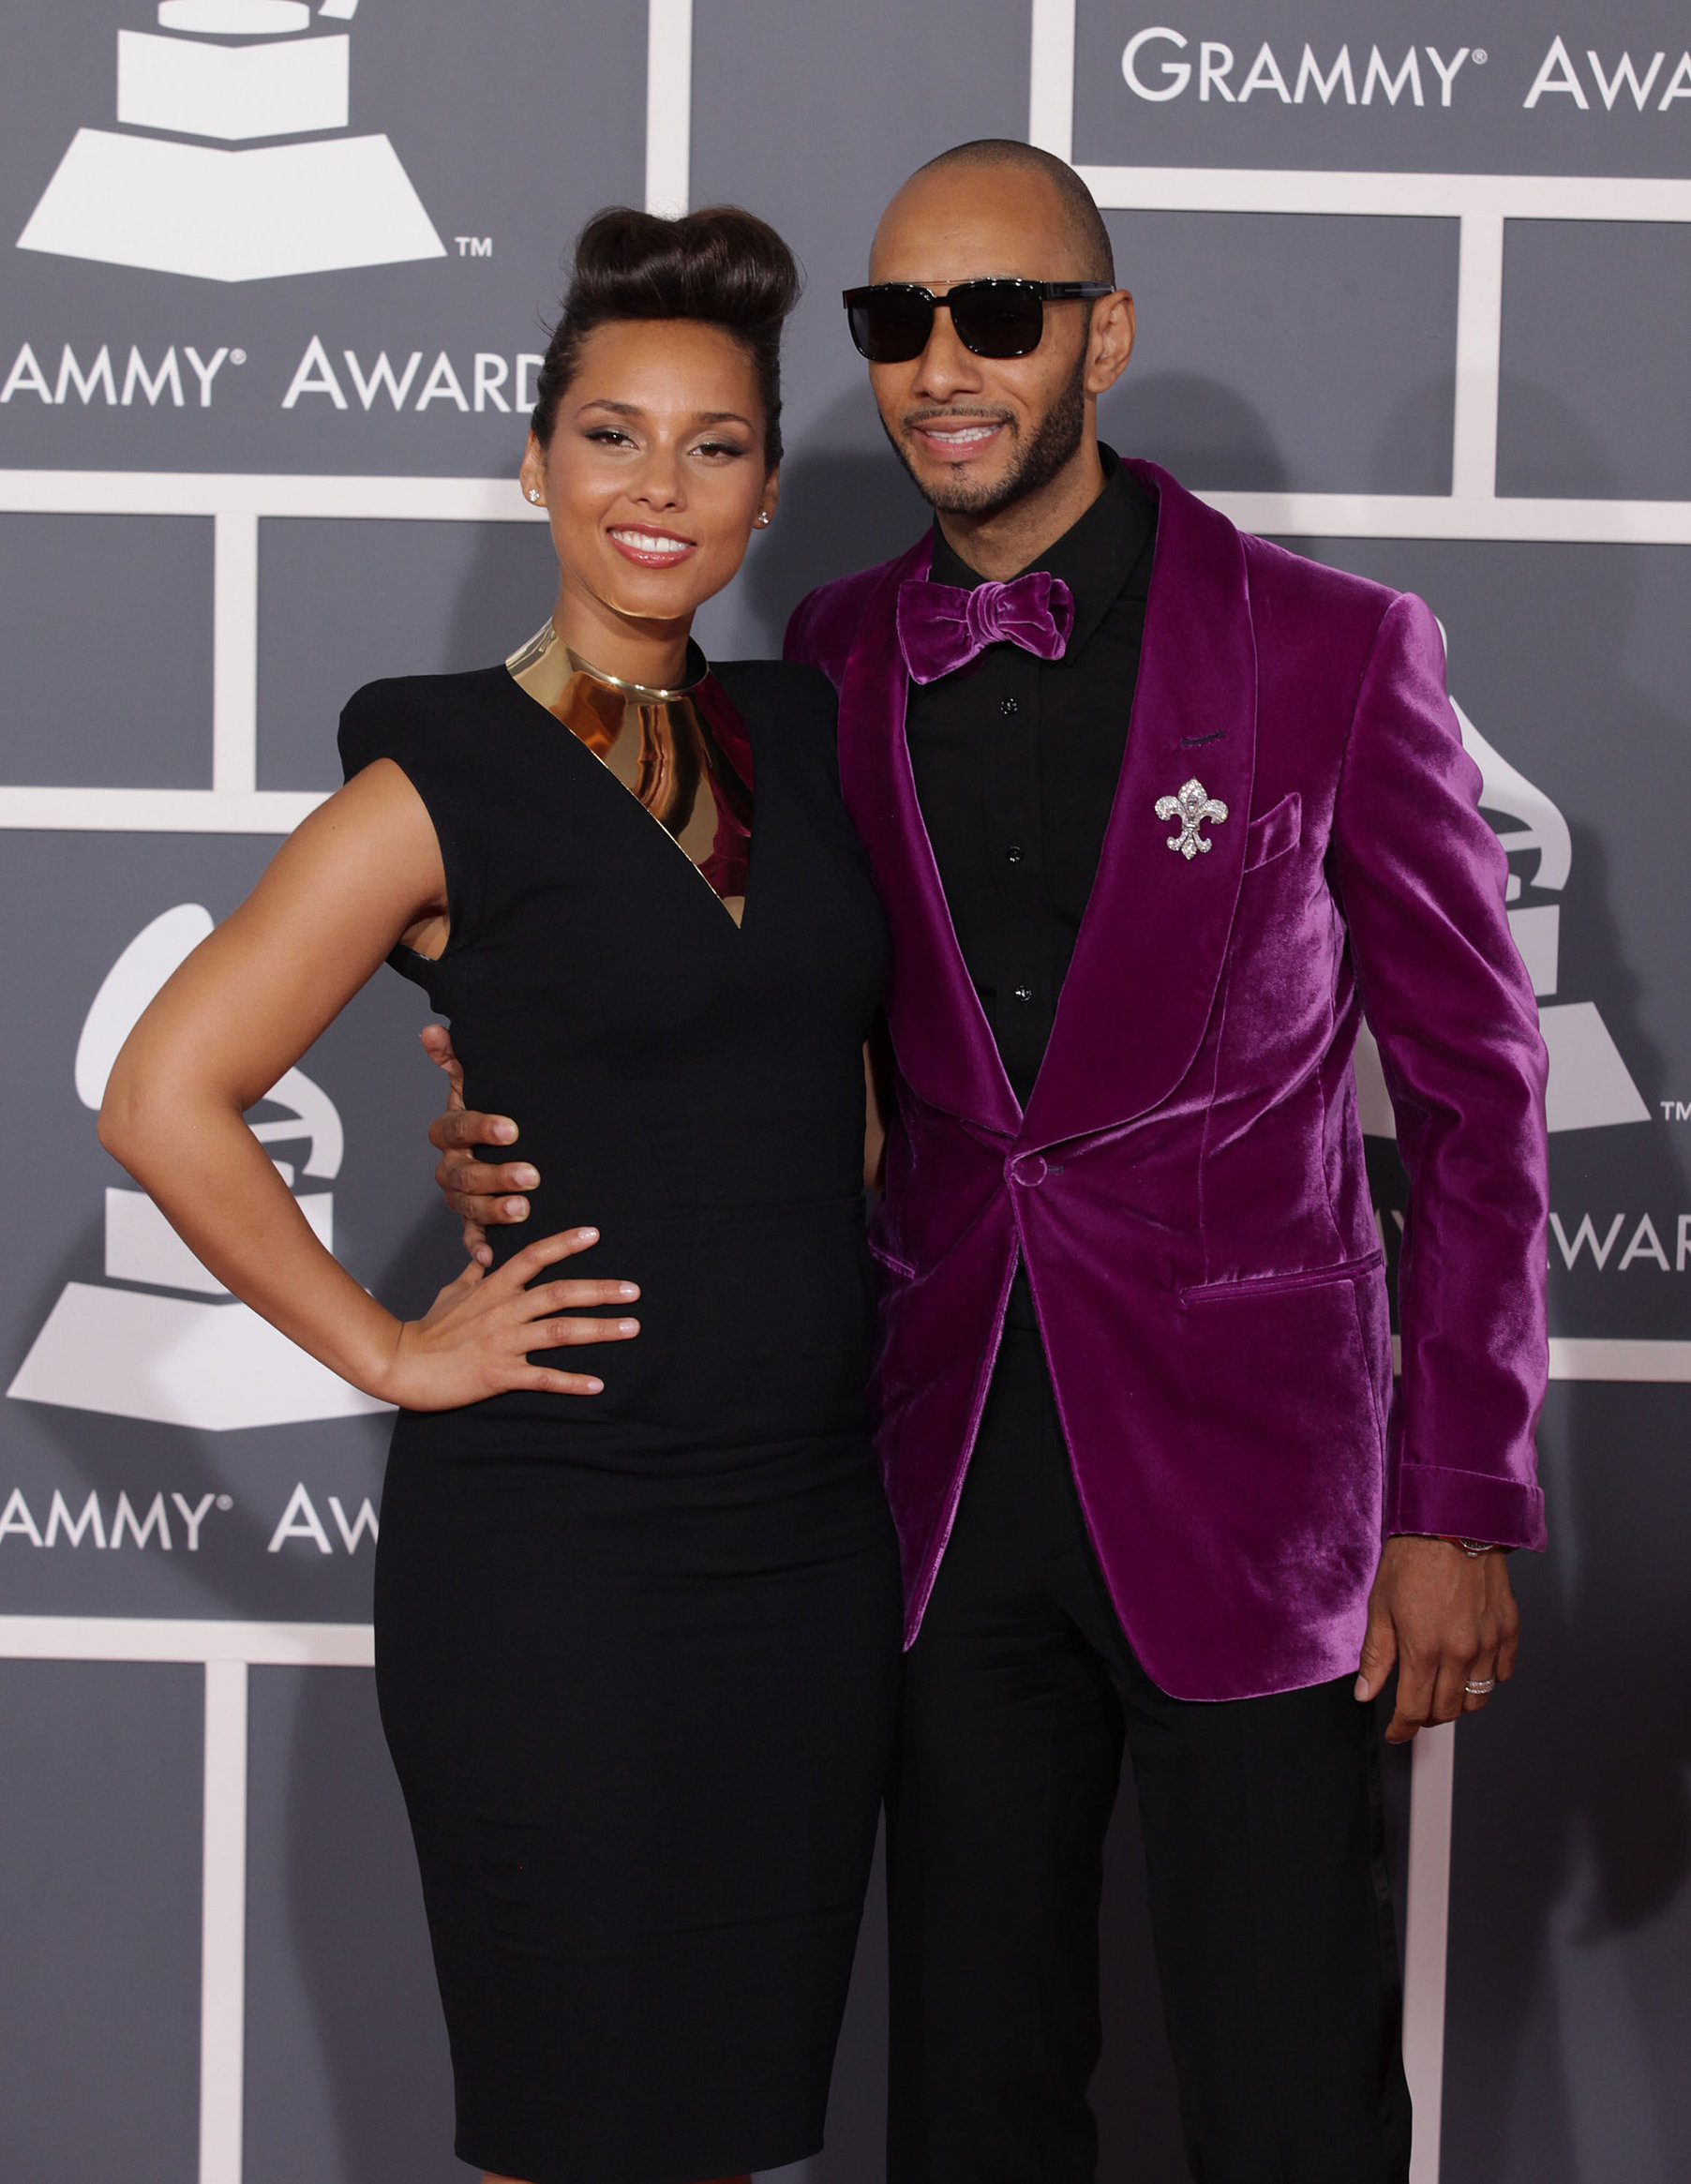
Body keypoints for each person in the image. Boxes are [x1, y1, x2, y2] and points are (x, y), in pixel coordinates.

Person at [430, 144, 1550, 2184]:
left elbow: (1477, 1099)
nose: (941, 364)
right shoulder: (818, 669)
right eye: (894, 324)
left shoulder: (1327, 648)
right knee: (968, 2097)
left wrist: (1456, 1493)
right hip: (927, 1478)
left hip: (1258, 1495)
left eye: (997, 314)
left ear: (1099, 336)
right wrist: (502, 1103)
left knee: (1291, 2089)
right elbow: (717, 1008)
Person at [97, 204, 903, 2184]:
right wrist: (387, 1341)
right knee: (569, 2129)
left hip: (805, 1552)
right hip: (560, 1568)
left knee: (724, 2134)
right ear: (535, 460)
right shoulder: (437, 772)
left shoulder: (800, 737)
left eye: (710, 446)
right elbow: (164, 1093)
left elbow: (848, 1101)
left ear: (764, 489)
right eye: (610, 434)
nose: (658, 487)